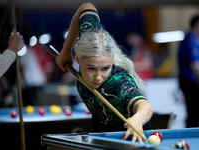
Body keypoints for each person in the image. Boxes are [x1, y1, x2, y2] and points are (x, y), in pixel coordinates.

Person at [56, 3, 153, 143]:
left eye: (105, 68)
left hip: (132, 137)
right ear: (78, 58)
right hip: (102, 129)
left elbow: (145, 107)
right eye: (91, 68)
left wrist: (137, 119)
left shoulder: (118, 83)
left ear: (112, 60)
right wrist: (66, 51)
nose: (98, 77)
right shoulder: (90, 41)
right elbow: (86, 7)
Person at [178, 14, 199, 128]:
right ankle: (192, 134)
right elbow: (195, 65)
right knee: (193, 111)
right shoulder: (191, 40)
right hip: (189, 81)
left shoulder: (193, 39)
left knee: (193, 111)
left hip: (189, 81)